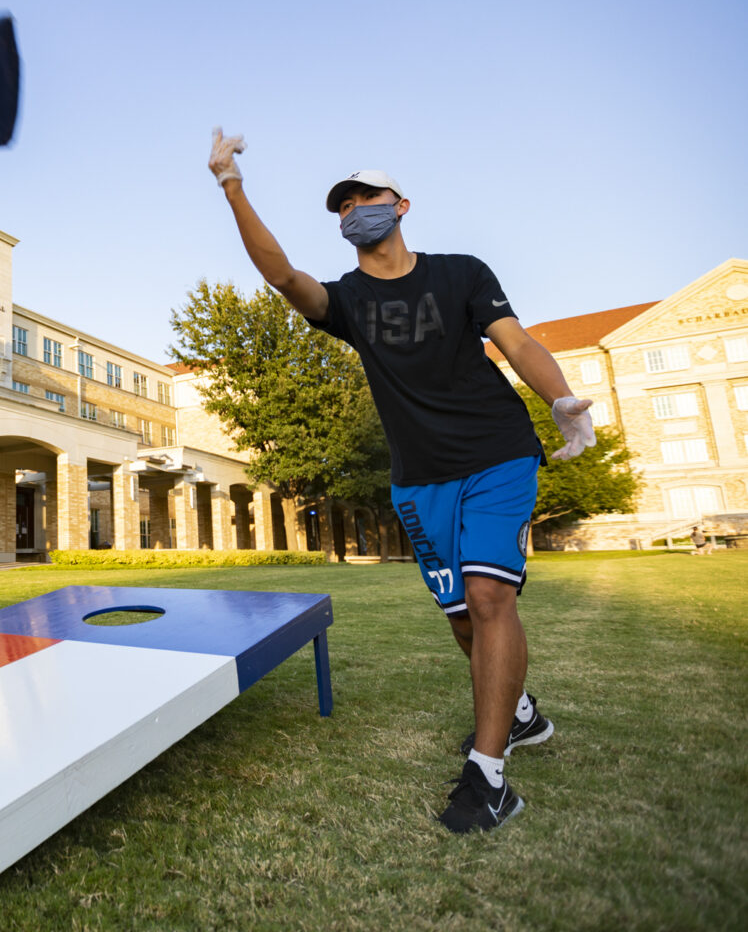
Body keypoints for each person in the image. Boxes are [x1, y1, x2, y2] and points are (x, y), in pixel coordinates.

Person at [207, 129, 597, 834]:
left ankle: (489, 776)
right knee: (460, 618)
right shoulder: (349, 301)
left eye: (368, 197)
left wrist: (560, 400)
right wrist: (231, 184)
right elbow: (281, 275)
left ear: (402, 205)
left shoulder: (461, 274)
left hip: (496, 454)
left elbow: (518, 342)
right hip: (418, 479)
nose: (356, 209)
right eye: (344, 204)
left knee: (487, 597)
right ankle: (521, 714)